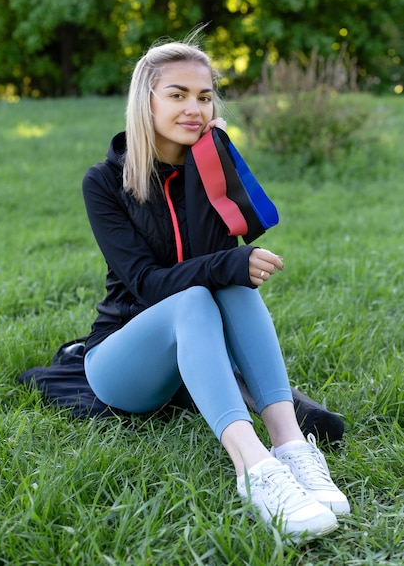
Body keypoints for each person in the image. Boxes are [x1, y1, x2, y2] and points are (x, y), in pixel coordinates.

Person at [81, 34, 350, 542]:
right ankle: (254, 468)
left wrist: (213, 164)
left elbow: (216, 257)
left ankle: (290, 446)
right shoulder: (104, 182)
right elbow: (144, 284)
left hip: (199, 344)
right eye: (177, 95)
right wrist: (231, 262)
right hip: (122, 361)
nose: (194, 108)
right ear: (148, 101)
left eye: (204, 97)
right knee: (204, 287)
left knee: (228, 283)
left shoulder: (208, 164)